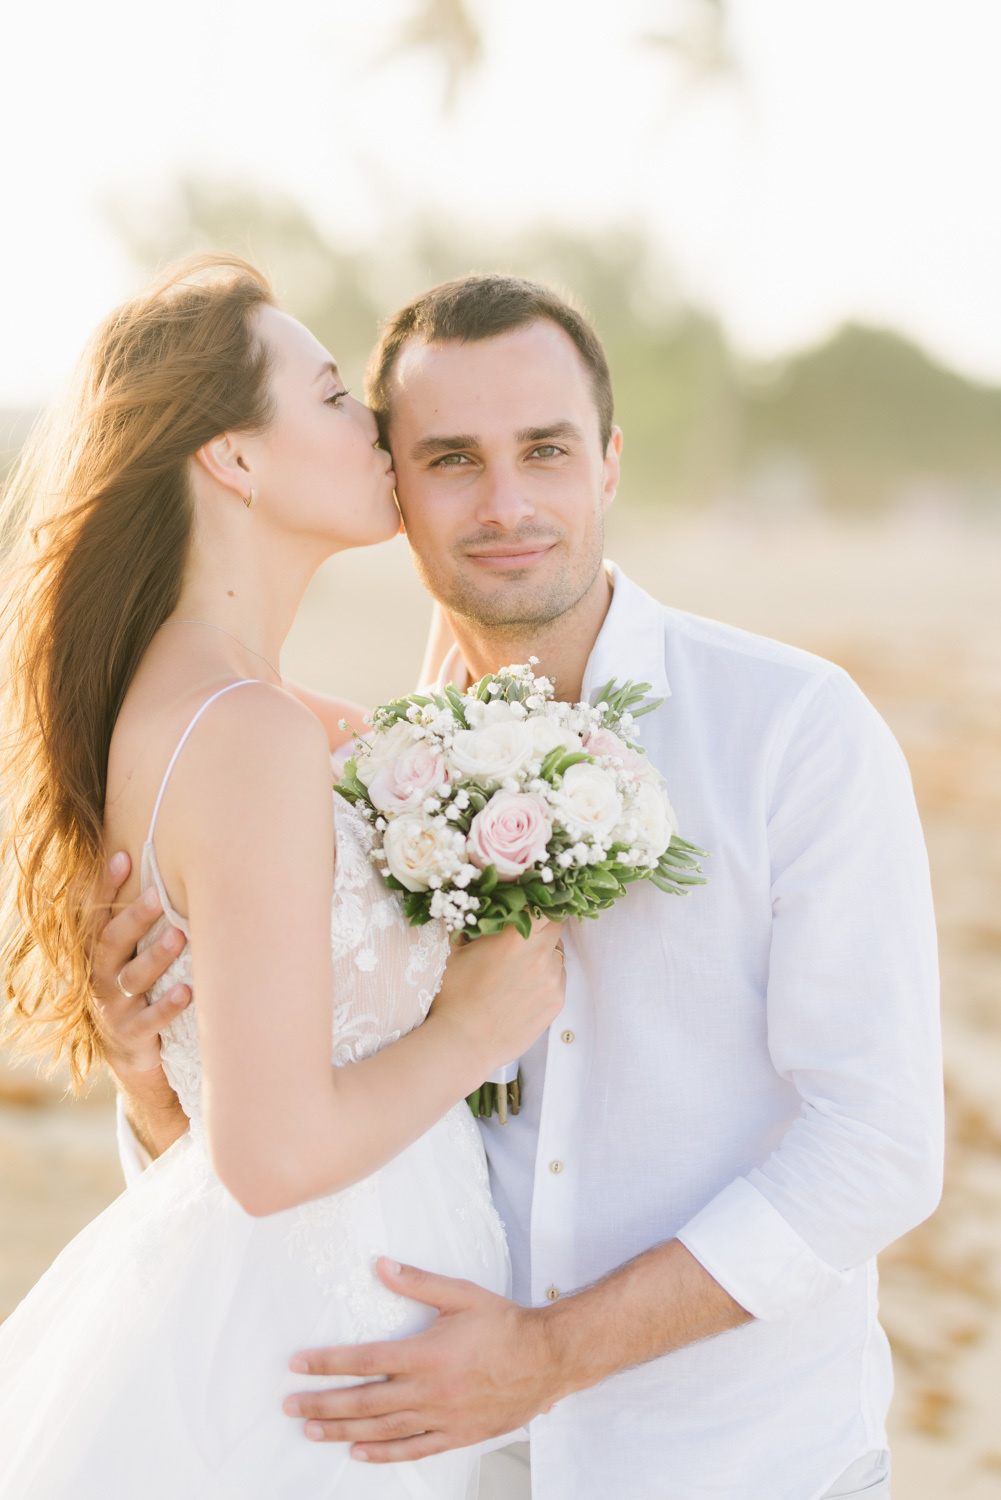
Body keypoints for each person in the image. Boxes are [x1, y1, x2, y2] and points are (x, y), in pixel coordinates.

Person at [97, 275, 942, 1500]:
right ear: (393, 482)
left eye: (543, 451)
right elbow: (299, 1144)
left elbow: (875, 1149)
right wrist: (156, 1083)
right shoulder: (366, 773)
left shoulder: (791, 730)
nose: (504, 505)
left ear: (605, 462)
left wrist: (544, 1359)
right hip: (439, 1465)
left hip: (739, 1465)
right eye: (450, 459)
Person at [0, 257, 566, 1500]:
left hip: (348, 1308)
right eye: (326, 395)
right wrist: (475, 1024)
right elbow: (268, 1153)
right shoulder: (247, 731)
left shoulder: (274, 719)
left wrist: (151, 1086)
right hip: (315, 1364)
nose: (375, 426)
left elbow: (232, 1091)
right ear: (233, 460)